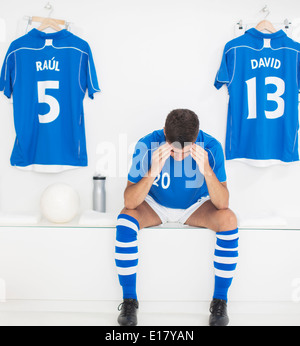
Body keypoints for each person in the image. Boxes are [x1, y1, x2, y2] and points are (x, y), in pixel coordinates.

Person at [115, 109, 239, 326]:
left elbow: (222, 204)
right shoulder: (146, 145)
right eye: (174, 150)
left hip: (195, 206)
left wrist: (207, 170)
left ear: (196, 135)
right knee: (125, 218)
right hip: (155, 205)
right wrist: (152, 171)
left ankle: (220, 301)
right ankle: (129, 300)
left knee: (229, 219)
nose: (180, 156)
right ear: (164, 134)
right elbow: (130, 202)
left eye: (186, 150)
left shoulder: (211, 146)